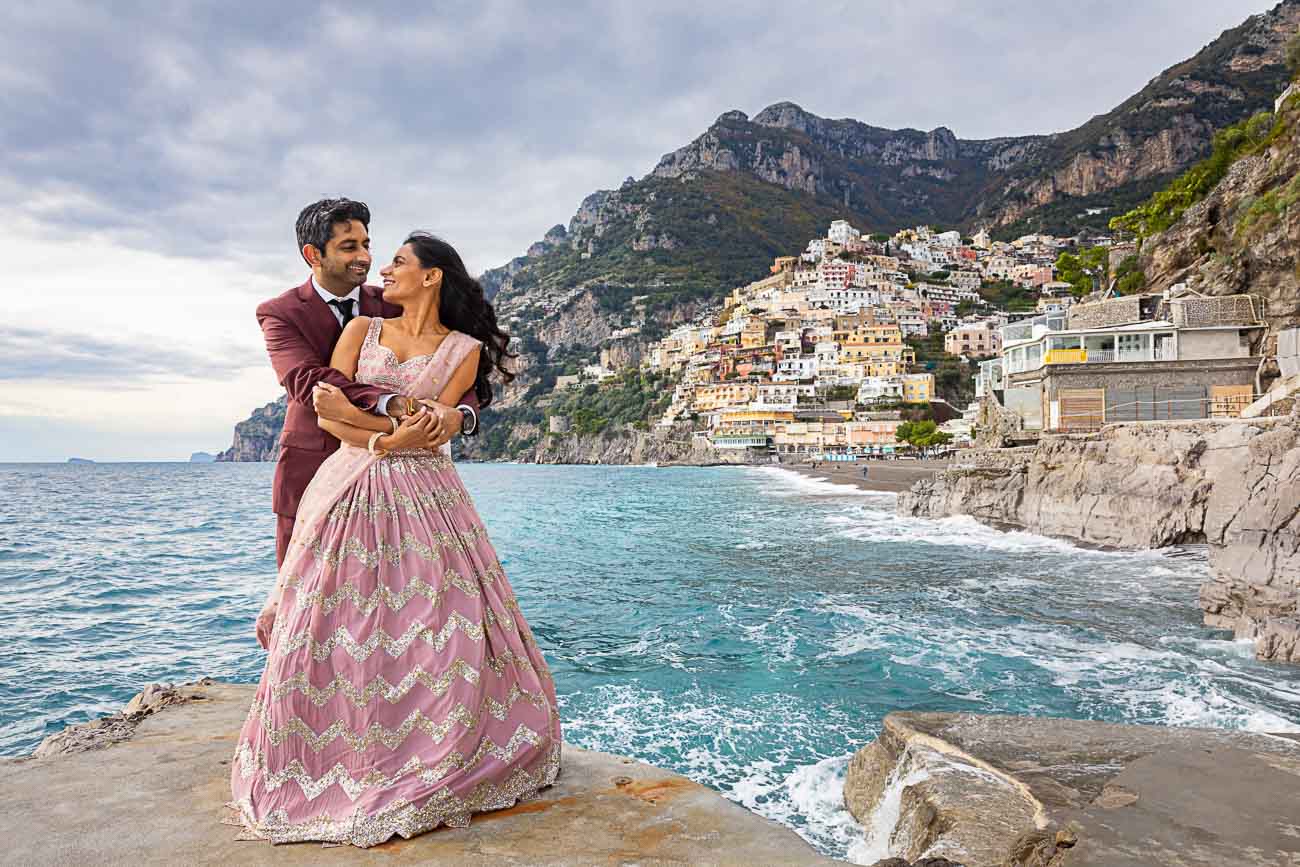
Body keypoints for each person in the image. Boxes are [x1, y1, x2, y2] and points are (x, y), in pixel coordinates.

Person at [228, 232, 562, 847]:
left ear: (432, 277)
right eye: (363, 251)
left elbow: (451, 421)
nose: (382, 267)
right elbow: (327, 410)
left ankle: (434, 744)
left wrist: (435, 423)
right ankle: (324, 748)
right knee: (329, 617)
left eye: (397, 260)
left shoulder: (462, 348)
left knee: (440, 616)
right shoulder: (359, 331)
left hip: (427, 491)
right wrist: (391, 433)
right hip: (348, 480)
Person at [254, 198, 482, 569]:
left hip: (401, 478)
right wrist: (394, 404)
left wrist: (462, 414)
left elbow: (448, 355)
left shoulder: (394, 301)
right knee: (303, 599)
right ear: (314, 254)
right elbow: (307, 381)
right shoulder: (280, 313)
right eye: (349, 247)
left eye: (366, 244)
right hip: (313, 464)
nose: (364, 257)